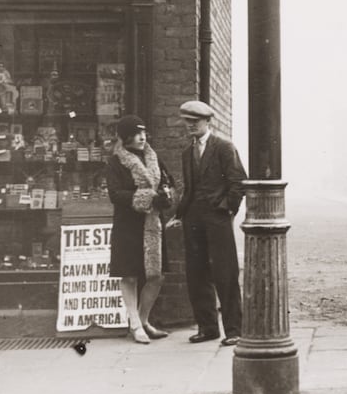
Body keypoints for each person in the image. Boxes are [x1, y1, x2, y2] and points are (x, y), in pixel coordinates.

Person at [171, 100, 248, 346]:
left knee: (225, 272)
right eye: (187, 122)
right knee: (196, 273)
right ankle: (208, 328)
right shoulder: (187, 153)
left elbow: (238, 182)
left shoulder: (224, 148)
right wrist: (181, 213)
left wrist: (226, 210)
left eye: (195, 122)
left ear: (207, 122)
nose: (191, 126)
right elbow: (190, 189)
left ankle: (234, 330)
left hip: (217, 218)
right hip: (193, 219)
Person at [106, 114, 176, 344]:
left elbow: (169, 182)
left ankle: (143, 320)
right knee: (129, 275)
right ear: (125, 137)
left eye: (144, 132)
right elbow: (115, 194)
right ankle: (135, 324)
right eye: (136, 133)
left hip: (152, 225)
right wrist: (148, 198)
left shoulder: (153, 158)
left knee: (155, 277)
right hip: (128, 224)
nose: (142, 137)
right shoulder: (116, 162)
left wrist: (166, 195)